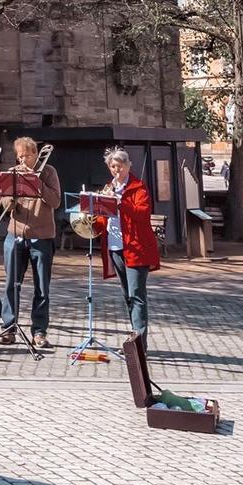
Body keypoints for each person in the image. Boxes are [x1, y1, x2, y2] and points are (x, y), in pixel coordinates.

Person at [0, 138, 62, 350]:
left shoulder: (49, 172)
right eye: (21, 156)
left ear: (36, 154)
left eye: (28, 155)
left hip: (42, 236)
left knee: (41, 286)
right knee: (11, 284)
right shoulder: (13, 172)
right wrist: (13, 196)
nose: (24, 159)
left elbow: (55, 201)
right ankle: (9, 328)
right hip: (15, 235)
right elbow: (4, 204)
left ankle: (40, 331)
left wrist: (37, 183)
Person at [100, 145, 160, 346]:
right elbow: (105, 218)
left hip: (136, 248)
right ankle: (135, 333)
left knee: (137, 295)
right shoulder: (109, 187)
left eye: (119, 166)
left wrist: (119, 203)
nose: (116, 171)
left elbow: (141, 213)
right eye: (112, 167)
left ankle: (139, 342)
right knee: (127, 294)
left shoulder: (138, 187)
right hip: (116, 246)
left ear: (127, 166)